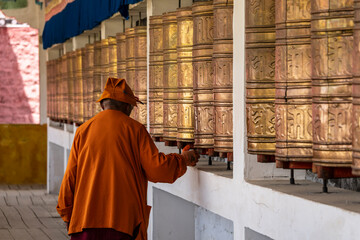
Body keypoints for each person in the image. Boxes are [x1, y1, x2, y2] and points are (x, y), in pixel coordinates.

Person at [56, 77, 200, 240]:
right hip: (124, 224)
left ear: (103, 104)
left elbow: (70, 177)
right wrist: (183, 159)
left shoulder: (83, 131)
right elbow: (158, 170)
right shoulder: (135, 130)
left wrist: (67, 214)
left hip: (85, 222)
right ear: (127, 106)